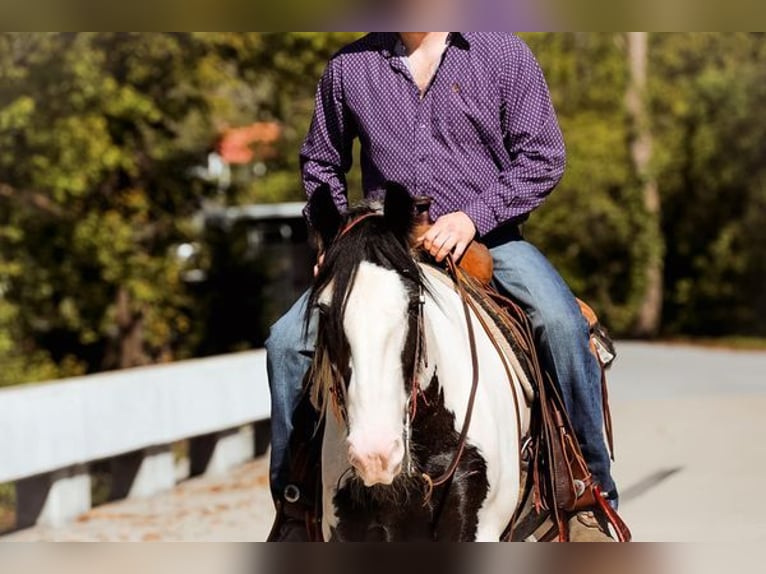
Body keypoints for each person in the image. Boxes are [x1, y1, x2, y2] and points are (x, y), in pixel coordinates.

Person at [266, 32, 617, 541]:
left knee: (561, 324)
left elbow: (542, 157)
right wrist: (333, 237)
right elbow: (322, 164)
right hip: (385, 248)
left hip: (489, 243)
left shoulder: (503, 54)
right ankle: (294, 508)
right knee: (284, 344)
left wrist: (472, 217)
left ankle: (586, 493)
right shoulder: (349, 68)